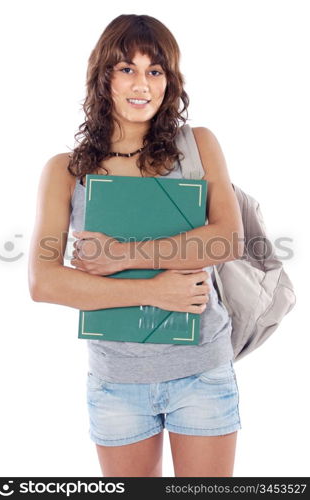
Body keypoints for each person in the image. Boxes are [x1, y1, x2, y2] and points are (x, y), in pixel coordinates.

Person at [28, 14, 244, 477]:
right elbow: (43, 281)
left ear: (170, 82)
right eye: (126, 69)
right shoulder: (66, 170)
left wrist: (124, 256)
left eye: (155, 70)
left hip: (201, 370)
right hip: (116, 380)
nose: (141, 83)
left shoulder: (198, 145)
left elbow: (228, 239)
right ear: (103, 77)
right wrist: (153, 290)